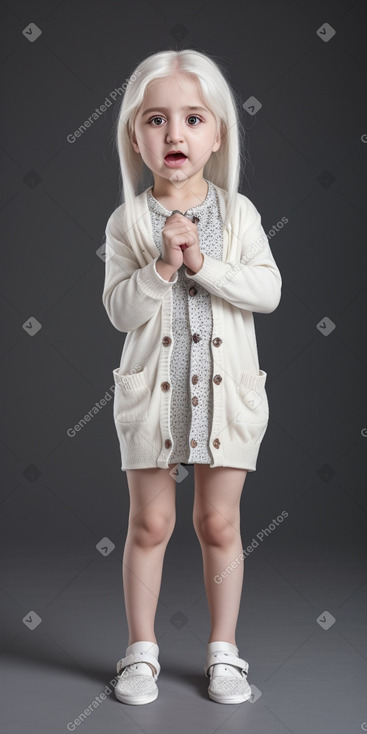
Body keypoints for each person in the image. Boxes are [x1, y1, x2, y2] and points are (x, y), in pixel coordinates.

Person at [102, 48, 282, 706]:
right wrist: (159, 266)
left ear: (217, 133)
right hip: (152, 400)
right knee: (149, 523)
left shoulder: (238, 216)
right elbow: (119, 310)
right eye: (155, 119)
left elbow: (266, 292)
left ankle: (224, 654)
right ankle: (140, 652)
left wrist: (200, 262)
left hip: (225, 400)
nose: (174, 134)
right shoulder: (127, 222)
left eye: (192, 118)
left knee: (220, 523)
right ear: (134, 135)